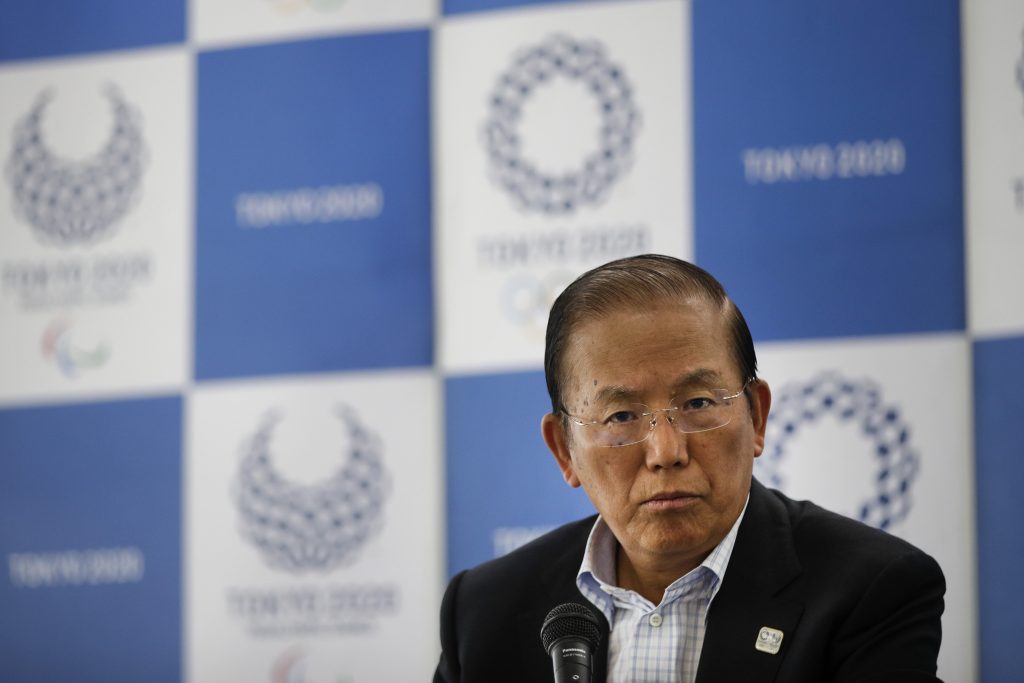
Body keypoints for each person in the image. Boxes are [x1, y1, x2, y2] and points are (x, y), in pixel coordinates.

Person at [433, 254, 945, 683]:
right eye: (622, 416)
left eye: (698, 403)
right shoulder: (484, 612)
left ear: (757, 416)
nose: (665, 451)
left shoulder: (871, 591)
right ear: (564, 450)